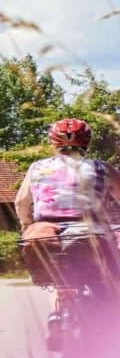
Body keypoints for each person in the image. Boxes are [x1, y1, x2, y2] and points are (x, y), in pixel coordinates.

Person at [15, 116, 116, 294]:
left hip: (46, 233)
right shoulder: (103, 168)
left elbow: (21, 202)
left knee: (57, 282)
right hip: (92, 230)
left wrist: (27, 224)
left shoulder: (37, 167)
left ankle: (58, 312)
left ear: (53, 141)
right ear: (87, 141)